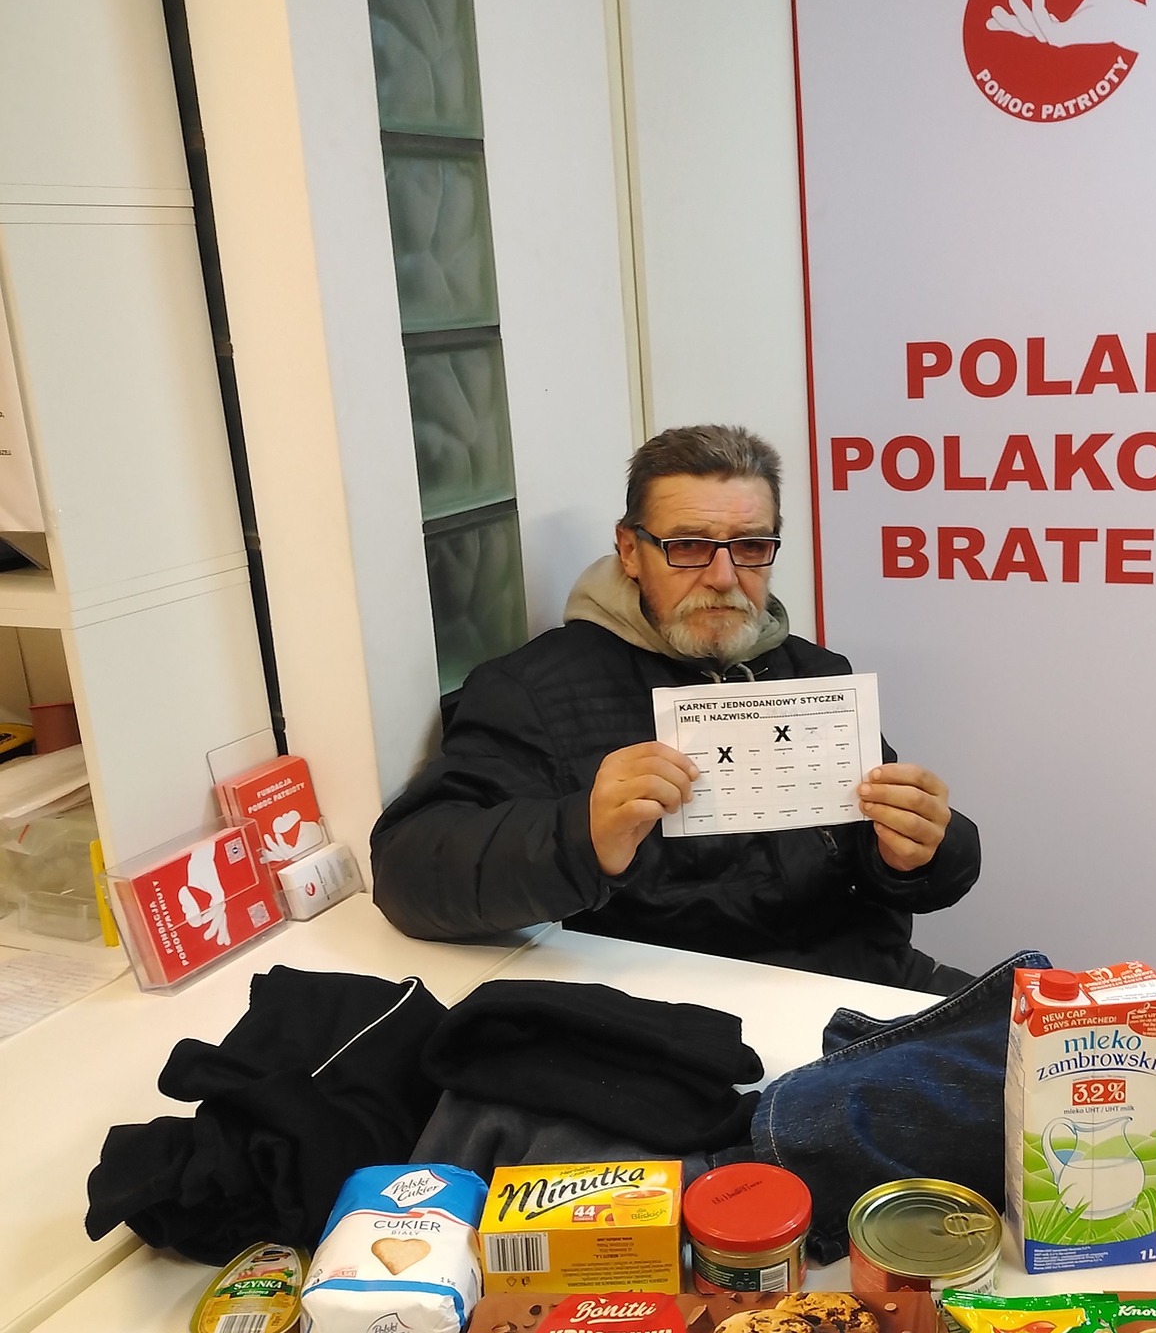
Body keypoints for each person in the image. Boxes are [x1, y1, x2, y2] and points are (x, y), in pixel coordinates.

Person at [371, 424, 981, 990]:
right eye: (688, 546)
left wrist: (922, 852)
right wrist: (580, 834)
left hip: (859, 984)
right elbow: (406, 874)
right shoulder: (534, 690)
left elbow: (904, 871)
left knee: (1029, 1033)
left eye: (750, 546)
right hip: (668, 1013)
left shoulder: (816, 674)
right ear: (630, 551)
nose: (723, 576)